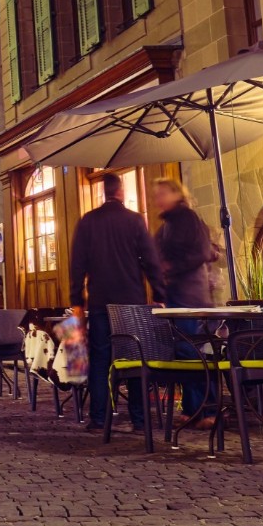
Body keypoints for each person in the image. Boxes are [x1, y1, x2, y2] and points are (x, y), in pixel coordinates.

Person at [70, 173, 166, 434]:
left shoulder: (88, 221)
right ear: (121, 191)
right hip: (131, 301)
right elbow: (150, 260)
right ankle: (139, 419)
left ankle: (99, 418)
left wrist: (76, 301)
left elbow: (77, 264)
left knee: (100, 359)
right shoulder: (134, 220)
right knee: (135, 357)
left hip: (101, 300)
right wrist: (159, 294)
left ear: (104, 192)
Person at [151, 177, 219, 427]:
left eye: (161, 194)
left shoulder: (187, 219)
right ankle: (194, 407)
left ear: (175, 194)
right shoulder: (167, 225)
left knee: (191, 351)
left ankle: (207, 408)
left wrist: (170, 267)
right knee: (184, 351)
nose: (157, 199)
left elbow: (202, 252)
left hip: (190, 294)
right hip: (177, 294)